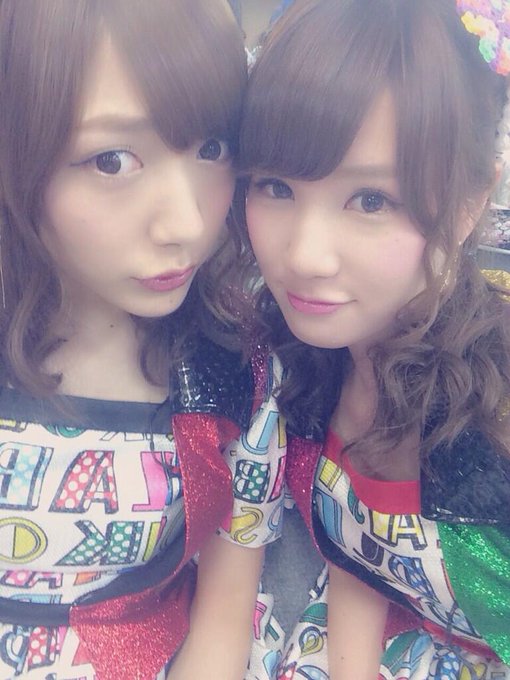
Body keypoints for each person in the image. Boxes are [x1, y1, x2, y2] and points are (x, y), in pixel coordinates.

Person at [0, 2, 286, 679]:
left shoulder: (233, 373)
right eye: (112, 160)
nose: (185, 223)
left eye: (212, 149)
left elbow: (222, 622)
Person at [235, 0, 510, 677]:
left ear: (469, 202)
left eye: (371, 200)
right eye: (276, 186)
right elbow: (357, 557)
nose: (305, 257)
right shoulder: (305, 355)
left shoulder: (493, 414)